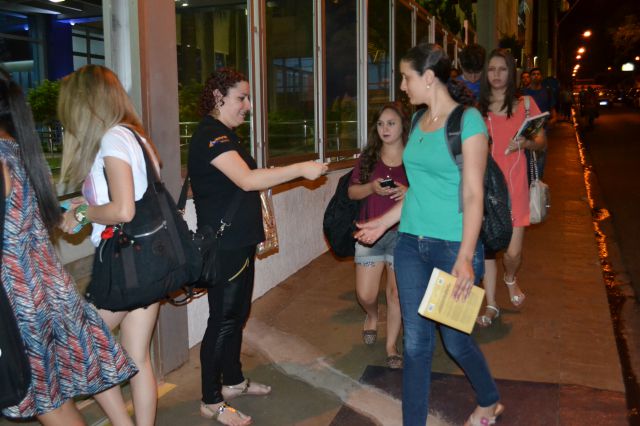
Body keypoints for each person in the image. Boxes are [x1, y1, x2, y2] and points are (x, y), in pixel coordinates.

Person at [355, 44, 502, 426]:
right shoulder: (419, 120)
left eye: (407, 77)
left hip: (453, 247)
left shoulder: (468, 121)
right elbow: (417, 190)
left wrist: (465, 258)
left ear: (429, 77)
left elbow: (473, 194)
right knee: (416, 344)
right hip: (409, 245)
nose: (403, 86)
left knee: (455, 341)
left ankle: (489, 399)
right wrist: (383, 222)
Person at [189, 67, 327, 425]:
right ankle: (210, 400)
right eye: (242, 97)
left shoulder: (226, 135)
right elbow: (248, 180)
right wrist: (301, 168)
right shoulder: (211, 136)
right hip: (225, 246)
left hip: (240, 242)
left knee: (236, 316)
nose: (248, 105)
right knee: (222, 320)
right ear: (219, 97)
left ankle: (233, 380)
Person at [0, 69, 137, 424]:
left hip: (19, 300)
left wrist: (85, 213)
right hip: (48, 289)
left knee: (52, 402)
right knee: (65, 392)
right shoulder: (21, 151)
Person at [58, 65, 163, 426]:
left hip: (122, 266)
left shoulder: (111, 139)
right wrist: (88, 206)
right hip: (149, 263)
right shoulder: (137, 138)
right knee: (137, 357)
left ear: (86, 103)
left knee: (83, 347)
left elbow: (122, 210)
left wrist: (83, 212)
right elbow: (134, 200)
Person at [475, 49, 547, 327]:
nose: (496, 74)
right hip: (486, 186)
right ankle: (491, 303)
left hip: (516, 186)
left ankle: (510, 277)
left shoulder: (525, 105)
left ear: (511, 73)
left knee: (512, 253)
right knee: (488, 248)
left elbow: (541, 142)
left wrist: (525, 143)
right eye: (492, 69)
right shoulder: (476, 111)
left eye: (502, 69)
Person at [347, 102, 409, 369]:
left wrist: (408, 191)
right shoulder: (369, 157)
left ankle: (391, 346)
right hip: (369, 232)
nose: (385, 128)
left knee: (396, 294)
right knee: (366, 294)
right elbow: (352, 192)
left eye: (391, 123)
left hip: (403, 235)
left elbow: (429, 190)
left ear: (403, 125)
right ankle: (372, 314)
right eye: (381, 123)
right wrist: (372, 187)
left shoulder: (415, 157)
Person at [523, 67, 555, 178]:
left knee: (540, 164)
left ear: (541, 77)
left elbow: (553, 111)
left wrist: (553, 120)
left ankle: (537, 185)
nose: (536, 76)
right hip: (527, 131)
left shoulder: (547, 92)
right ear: (530, 77)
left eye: (538, 74)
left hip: (542, 130)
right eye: (533, 74)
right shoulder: (524, 92)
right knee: (527, 164)